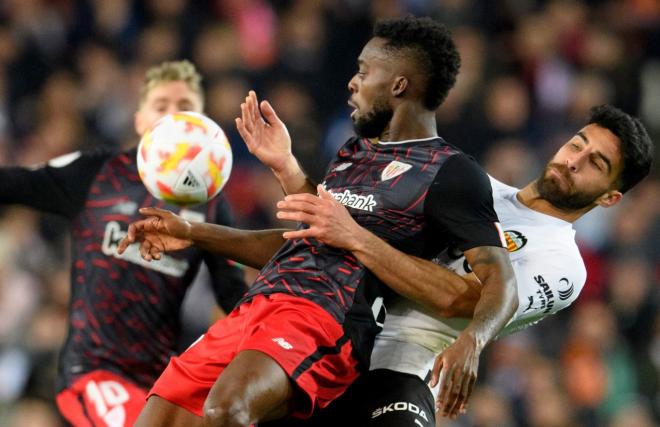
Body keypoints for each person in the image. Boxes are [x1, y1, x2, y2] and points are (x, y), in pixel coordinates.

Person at [121, 101, 653, 427]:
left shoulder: (565, 266)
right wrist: (282, 174)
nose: (573, 160)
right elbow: (325, 240)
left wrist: (355, 238)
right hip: (321, 330)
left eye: (595, 164)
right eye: (577, 144)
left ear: (608, 198)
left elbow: (463, 297)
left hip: (394, 372)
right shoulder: (472, 185)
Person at [119, 16, 518, 427]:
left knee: (227, 411)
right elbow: (306, 238)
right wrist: (195, 229)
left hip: (325, 316)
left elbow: (502, 282)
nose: (352, 82)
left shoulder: (450, 171)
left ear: (399, 85)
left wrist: (473, 341)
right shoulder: (354, 153)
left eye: (364, 72)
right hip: (257, 304)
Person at [0, 60, 246, 427]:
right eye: (162, 108)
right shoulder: (96, 173)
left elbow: (234, 301)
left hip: (160, 380)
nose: (175, 119)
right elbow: (14, 184)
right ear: (140, 120)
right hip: (93, 370)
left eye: (186, 111)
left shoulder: (211, 206)